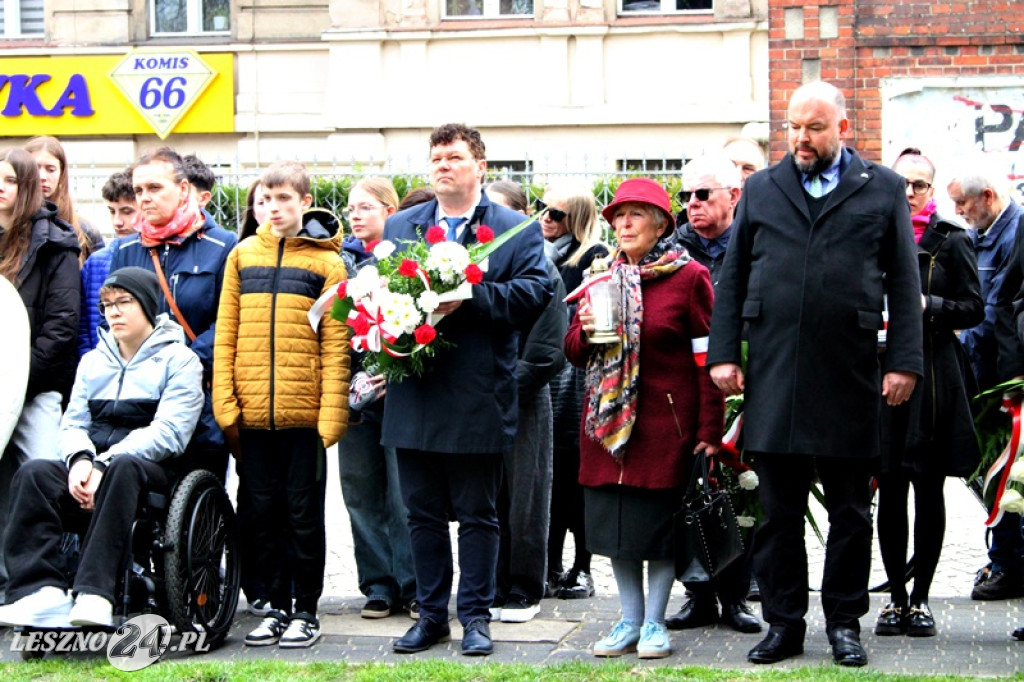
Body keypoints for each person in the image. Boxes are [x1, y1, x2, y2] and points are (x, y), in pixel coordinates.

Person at [707, 80, 923, 667]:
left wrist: (904, 361)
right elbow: (734, 276)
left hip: (851, 372)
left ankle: (845, 624)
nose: (801, 138)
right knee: (779, 512)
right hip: (776, 371)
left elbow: (904, 280)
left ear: (843, 129)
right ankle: (784, 624)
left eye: (815, 128)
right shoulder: (762, 187)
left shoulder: (882, 187)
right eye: (794, 127)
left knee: (851, 512)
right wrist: (724, 354)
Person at [383, 123, 551, 657]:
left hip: (478, 392)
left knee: (478, 515)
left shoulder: (514, 229)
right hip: (415, 390)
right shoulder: (402, 224)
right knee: (422, 513)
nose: (442, 165)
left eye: (454, 157)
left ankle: (475, 617)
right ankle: (431, 615)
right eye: (436, 157)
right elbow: (378, 287)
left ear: (480, 166)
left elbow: (535, 293)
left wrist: (470, 298)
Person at [565, 178, 723, 659]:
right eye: (618, 216)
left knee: (657, 530)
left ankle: (654, 622)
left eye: (635, 215)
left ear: (659, 226)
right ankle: (629, 619)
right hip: (606, 429)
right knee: (617, 531)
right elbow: (572, 351)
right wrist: (585, 332)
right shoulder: (599, 276)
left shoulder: (689, 277)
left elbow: (708, 359)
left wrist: (709, 430)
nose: (624, 224)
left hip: (663, 429)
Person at [0, 267, 203, 628]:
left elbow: (170, 432)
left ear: (147, 305)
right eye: (107, 305)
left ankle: (95, 593)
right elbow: (73, 423)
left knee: (123, 467)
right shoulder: (93, 362)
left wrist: (103, 463)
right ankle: (41, 592)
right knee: (34, 473)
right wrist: (80, 460)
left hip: (151, 471)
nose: (114, 312)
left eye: (124, 302)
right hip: (94, 466)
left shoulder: (180, 360)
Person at [213, 161, 349, 648]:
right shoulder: (241, 256)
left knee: (303, 514)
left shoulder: (328, 264)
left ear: (305, 202)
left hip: (304, 417)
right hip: (252, 415)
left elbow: (337, 343)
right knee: (260, 512)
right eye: (265, 200)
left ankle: (305, 608)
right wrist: (225, 403)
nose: (273, 208)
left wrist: (331, 413)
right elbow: (226, 332)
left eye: (284, 199)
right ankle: (272, 604)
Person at [872, 148, 983, 638]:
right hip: (881, 374)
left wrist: (927, 303)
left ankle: (921, 600)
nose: (909, 192)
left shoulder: (951, 240)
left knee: (928, 487)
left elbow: (974, 307)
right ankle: (894, 598)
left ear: (931, 191)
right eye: (902, 183)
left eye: (918, 184)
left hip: (935, 376)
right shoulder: (873, 234)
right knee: (890, 487)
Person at [665, 154, 760, 634]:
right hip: (688, 390)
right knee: (690, 492)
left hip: (745, 385)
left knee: (742, 493)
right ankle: (697, 594)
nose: (692, 204)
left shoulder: (756, 241)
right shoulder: (671, 250)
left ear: (734, 196)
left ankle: (738, 596)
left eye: (703, 194)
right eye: (686, 196)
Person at [107, 147, 237, 475]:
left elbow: (229, 320)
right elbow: (109, 316)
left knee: (199, 488)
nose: (144, 198)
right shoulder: (125, 249)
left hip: (199, 394)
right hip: (139, 398)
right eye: (139, 190)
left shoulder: (223, 245)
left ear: (182, 189)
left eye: (154, 188)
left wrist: (183, 363)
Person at [484, 180, 568, 623]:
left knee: (526, 496)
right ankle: (490, 583)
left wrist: (504, 386)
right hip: (479, 401)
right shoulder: (476, 266)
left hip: (523, 397)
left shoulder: (543, 269)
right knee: (485, 498)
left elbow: (548, 350)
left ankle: (524, 586)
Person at [0, 147, 82, 603]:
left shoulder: (56, 243)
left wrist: (16, 384)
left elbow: (61, 327)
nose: (0, 188)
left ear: (28, 186)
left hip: (36, 389)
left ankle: (49, 583)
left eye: (10, 180)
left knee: (44, 476)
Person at [336, 177, 417, 620]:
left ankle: (414, 584)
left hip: (402, 393)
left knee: (405, 497)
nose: (355, 215)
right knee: (360, 492)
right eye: (351, 208)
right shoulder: (339, 262)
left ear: (390, 211)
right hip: (354, 395)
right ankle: (378, 584)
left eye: (365, 207)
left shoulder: (409, 261)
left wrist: (395, 366)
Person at [948, 162, 1024, 602]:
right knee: (995, 475)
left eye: (963, 203)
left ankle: (1008, 562)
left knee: (1006, 475)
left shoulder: (1012, 234)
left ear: (988, 197)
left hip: (1000, 377)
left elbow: (996, 312)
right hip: (987, 375)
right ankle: (1006, 559)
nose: (959, 211)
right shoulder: (979, 234)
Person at [542, 180, 609, 601]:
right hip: (546, 374)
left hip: (576, 376)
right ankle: (548, 565)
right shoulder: (536, 252)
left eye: (556, 214)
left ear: (578, 218)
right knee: (548, 478)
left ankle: (582, 567)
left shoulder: (594, 256)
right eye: (542, 209)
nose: (545, 219)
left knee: (577, 477)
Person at [78, 170, 139, 356]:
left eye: (127, 212)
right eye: (112, 211)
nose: (117, 221)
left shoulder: (157, 257)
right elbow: (82, 326)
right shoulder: (96, 262)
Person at [24, 136, 104, 266]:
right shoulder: (9, 225)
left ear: (61, 174)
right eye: (35, 168)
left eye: (51, 170)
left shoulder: (86, 231)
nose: (42, 177)